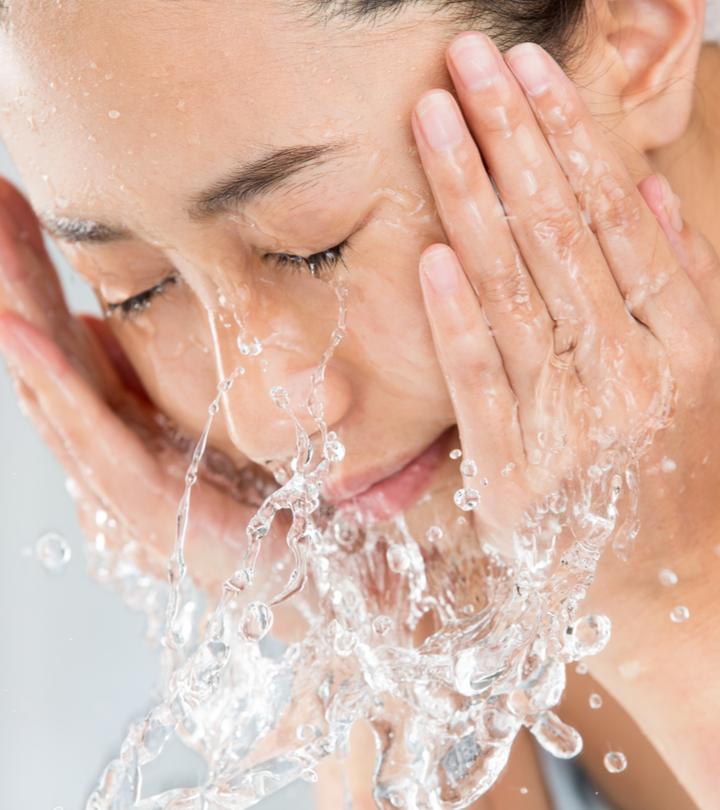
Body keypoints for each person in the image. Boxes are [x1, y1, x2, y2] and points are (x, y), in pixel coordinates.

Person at [0, 1, 718, 807]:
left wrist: (675, 600)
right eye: (138, 289)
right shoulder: (517, 527)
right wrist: (377, 651)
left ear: (635, 37)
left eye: (313, 247)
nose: (262, 422)